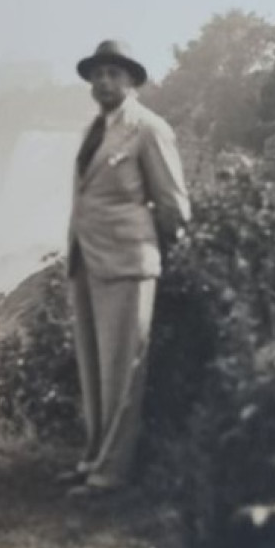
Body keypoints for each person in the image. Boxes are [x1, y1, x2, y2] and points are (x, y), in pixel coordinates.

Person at [62, 39, 190, 497]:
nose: (104, 82)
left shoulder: (148, 129)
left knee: (122, 369)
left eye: (114, 73)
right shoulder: (94, 130)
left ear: (132, 81)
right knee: (95, 367)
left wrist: (166, 254)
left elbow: (174, 203)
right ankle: (93, 457)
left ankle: (112, 474)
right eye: (98, 74)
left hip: (128, 261)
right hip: (87, 258)